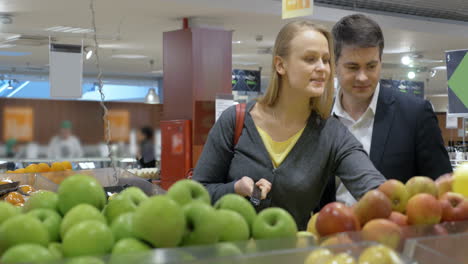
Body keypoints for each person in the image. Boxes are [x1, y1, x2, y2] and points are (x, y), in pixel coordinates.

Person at [193, 20, 386, 230]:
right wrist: (234, 189)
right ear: (280, 65)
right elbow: (197, 193)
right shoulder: (235, 121)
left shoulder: (332, 135)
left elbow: (372, 187)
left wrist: (405, 200)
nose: (322, 68)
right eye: (310, 59)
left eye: (326, 60)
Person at [329, 14, 452, 205]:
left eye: (371, 66)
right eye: (352, 67)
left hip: (396, 233)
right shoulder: (319, 119)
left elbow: (443, 190)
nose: (363, 77)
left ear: (380, 61)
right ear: (334, 64)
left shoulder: (415, 115)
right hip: (330, 232)